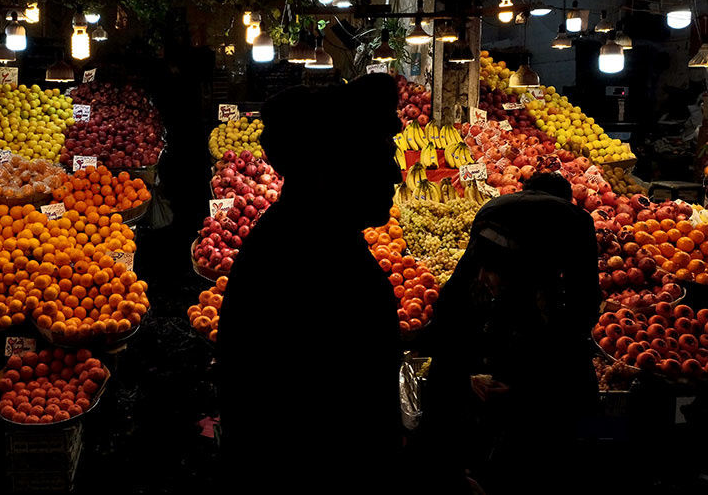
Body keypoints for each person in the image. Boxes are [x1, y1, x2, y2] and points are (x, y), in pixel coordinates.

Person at [217, 73, 403, 493]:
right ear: (330, 171)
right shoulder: (303, 262)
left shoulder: (318, 237)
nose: (394, 173)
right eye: (380, 156)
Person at [418, 171, 600, 493]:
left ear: (525, 190)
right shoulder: (576, 219)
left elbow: (459, 291)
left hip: (484, 308)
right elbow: (583, 304)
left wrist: (460, 372)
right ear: (567, 198)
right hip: (531, 320)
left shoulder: (495, 206)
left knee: (463, 337)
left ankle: (451, 470)